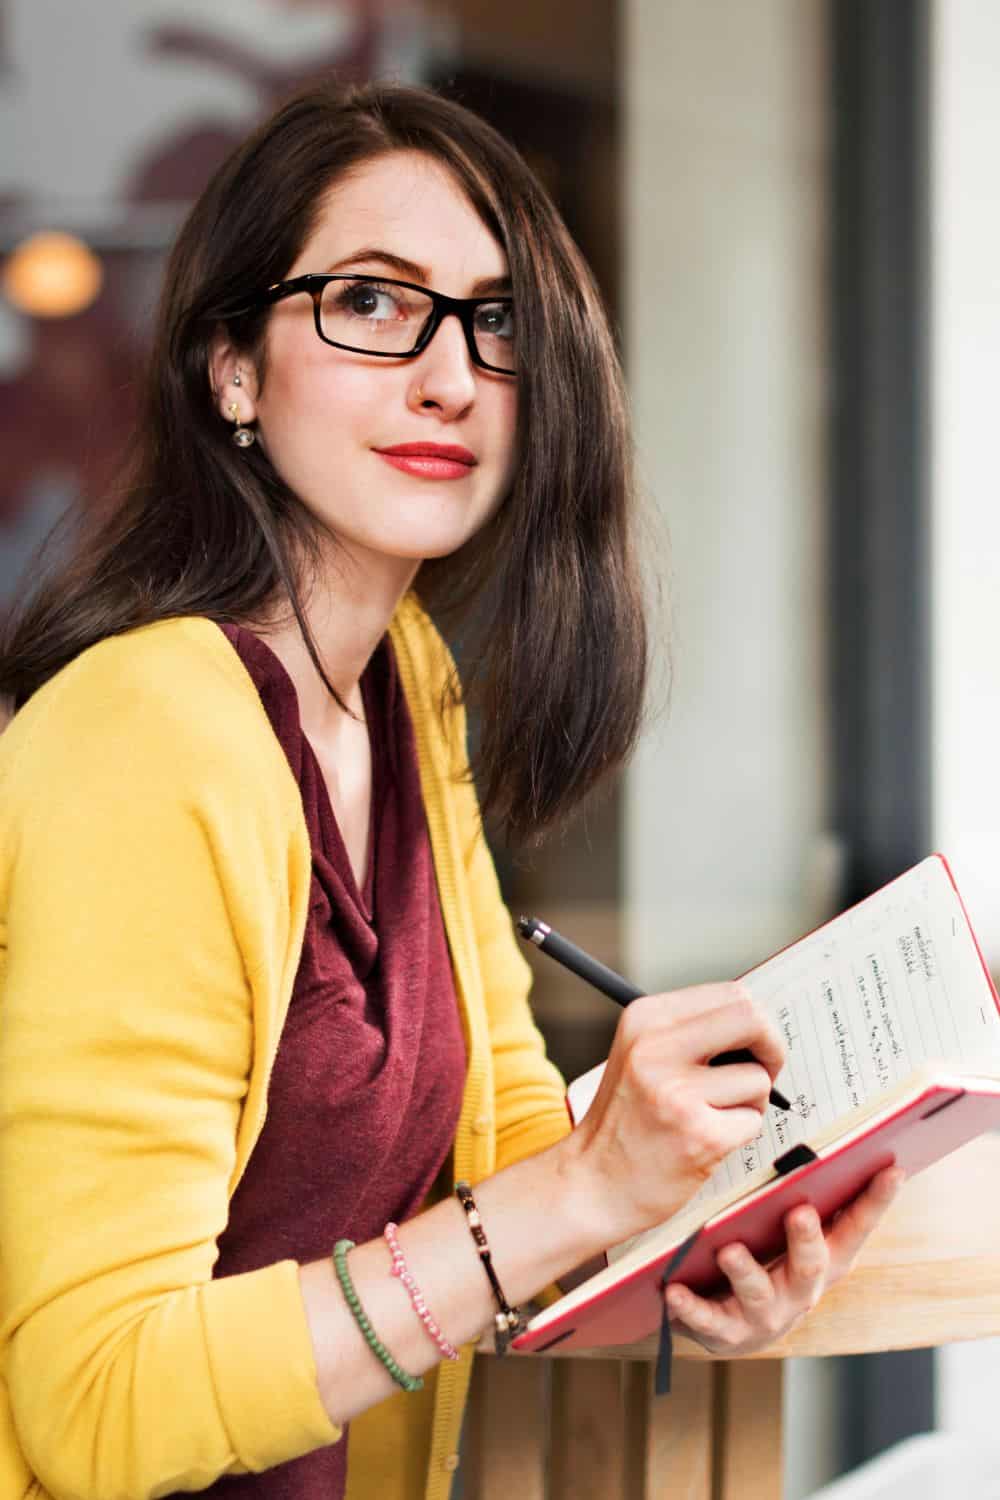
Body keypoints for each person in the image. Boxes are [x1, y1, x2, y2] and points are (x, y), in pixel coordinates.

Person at [0, 79, 902, 1500]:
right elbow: (92, 1402)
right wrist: (581, 1194)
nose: (449, 376)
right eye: (371, 301)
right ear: (231, 366)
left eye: (496, 322)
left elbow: (511, 1150)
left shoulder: (405, 680)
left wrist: (690, 1241)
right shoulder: (144, 730)